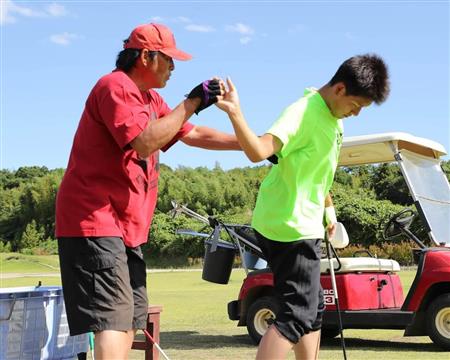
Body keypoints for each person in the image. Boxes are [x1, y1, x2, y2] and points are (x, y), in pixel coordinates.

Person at [55, 23, 240, 360]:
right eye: (169, 59)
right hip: (94, 220)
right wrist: (194, 100)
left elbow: (190, 133)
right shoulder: (114, 86)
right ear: (145, 56)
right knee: (112, 318)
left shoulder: (151, 98)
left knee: (128, 318)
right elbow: (143, 142)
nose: (173, 67)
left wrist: (252, 144)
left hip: (125, 229)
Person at [216, 54, 390, 360]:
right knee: (296, 315)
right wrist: (235, 113)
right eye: (356, 106)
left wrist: (329, 213)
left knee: (313, 309)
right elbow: (258, 151)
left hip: (306, 224)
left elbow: (319, 176)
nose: (356, 114)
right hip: (288, 225)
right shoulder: (302, 112)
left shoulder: (334, 122)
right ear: (339, 89)